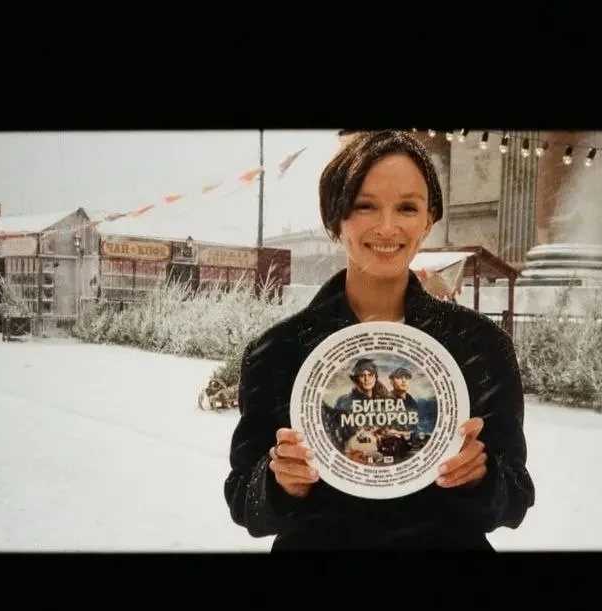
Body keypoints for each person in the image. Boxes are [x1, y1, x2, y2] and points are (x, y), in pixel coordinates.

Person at [224, 130, 534, 550]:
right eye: (364, 206)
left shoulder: (480, 346)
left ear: (428, 220)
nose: (387, 227)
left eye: (407, 207)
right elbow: (244, 501)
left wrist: (482, 476)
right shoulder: (278, 351)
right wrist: (278, 481)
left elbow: (515, 498)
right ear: (335, 218)